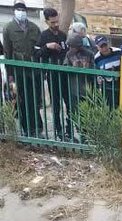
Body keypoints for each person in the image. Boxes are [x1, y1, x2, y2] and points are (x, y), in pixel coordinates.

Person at [3, 2, 43, 137]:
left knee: (36, 100)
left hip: (34, 70)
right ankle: (27, 129)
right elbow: (8, 52)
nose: (21, 12)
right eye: (18, 10)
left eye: (23, 10)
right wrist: (10, 74)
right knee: (23, 101)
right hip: (19, 71)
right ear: (14, 11)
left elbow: (39, 49)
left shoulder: (34, 27)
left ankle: (38, 128)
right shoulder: (9, 28)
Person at [37, 7, 69, 141]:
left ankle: (69, 131)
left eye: (57, 22)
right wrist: (47, 47)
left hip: (65, 74)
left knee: (69, 104)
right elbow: (37, 53)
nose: (56, 25)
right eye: (52, 22)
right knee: (55, 105)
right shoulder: (44, 36)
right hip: (52, 75)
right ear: (46, 22)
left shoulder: (62, 35)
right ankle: (58, 131)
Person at [63, 35, 94, 142]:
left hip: (86, 89)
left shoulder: (89, 54)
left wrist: (86, 67)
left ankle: (87, 137)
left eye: (73, 46)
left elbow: (94, 69)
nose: (71, 48)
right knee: (75, 113)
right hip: (74, 89)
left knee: (87, 114)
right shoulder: (69, 54)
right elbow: (65, 67)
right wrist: (72, 67)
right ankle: (81, 136)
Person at [94, 36, 122, 109]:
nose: (104, 48)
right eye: (101, 46)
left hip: (121, 86)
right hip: (107, 89)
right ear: (97, 47)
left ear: (108, 44)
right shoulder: (96, 59)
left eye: (105, 45)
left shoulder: (119, 52)